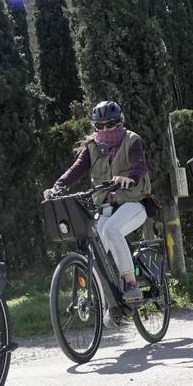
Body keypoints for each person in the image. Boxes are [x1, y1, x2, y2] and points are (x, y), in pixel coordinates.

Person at [43, 101, 153, 305]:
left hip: (134, 203)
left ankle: (131, 284)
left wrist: (130, 178)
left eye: (110, 124)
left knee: (111, 230)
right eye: (99, 125)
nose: (104, 129)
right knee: (97, 248)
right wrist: (56, 187)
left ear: (119, 121)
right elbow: (75, 169)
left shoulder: (132, 140)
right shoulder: (92, 146)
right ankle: (107, 302)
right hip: (106, 208)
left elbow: (140, 165)